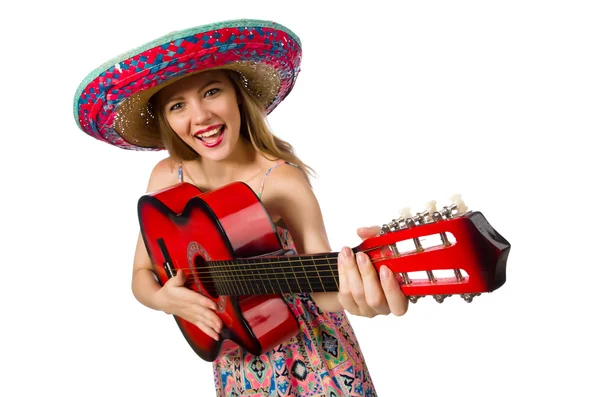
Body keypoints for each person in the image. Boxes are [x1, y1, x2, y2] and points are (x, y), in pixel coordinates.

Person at [73, 18, 408, 396]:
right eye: (177, 105)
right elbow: (141, 273)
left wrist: (361, 290)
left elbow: (324, 292)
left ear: (237, 96)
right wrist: (161, 297)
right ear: (166, 120)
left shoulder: (281, 180)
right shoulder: (168, 177)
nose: (200, 116)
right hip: (237, 363)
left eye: (212, 91)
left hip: (314, 358)